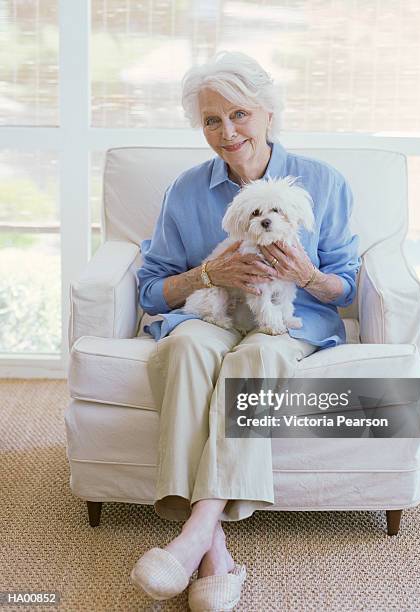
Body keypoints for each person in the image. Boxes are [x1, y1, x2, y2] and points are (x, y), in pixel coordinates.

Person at [131, 51, 360, 610]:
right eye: (212, 120)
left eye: (239, 114)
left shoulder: (323, 184)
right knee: (185, 346)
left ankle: (194, 535)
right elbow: (150, 289)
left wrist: (305, 273)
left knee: (256, 359)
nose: (228, 132)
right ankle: (216, 554)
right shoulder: (186, 190)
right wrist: (209, 273)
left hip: (288, 318)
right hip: (214, 310)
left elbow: (346, 287)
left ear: (268, 114)